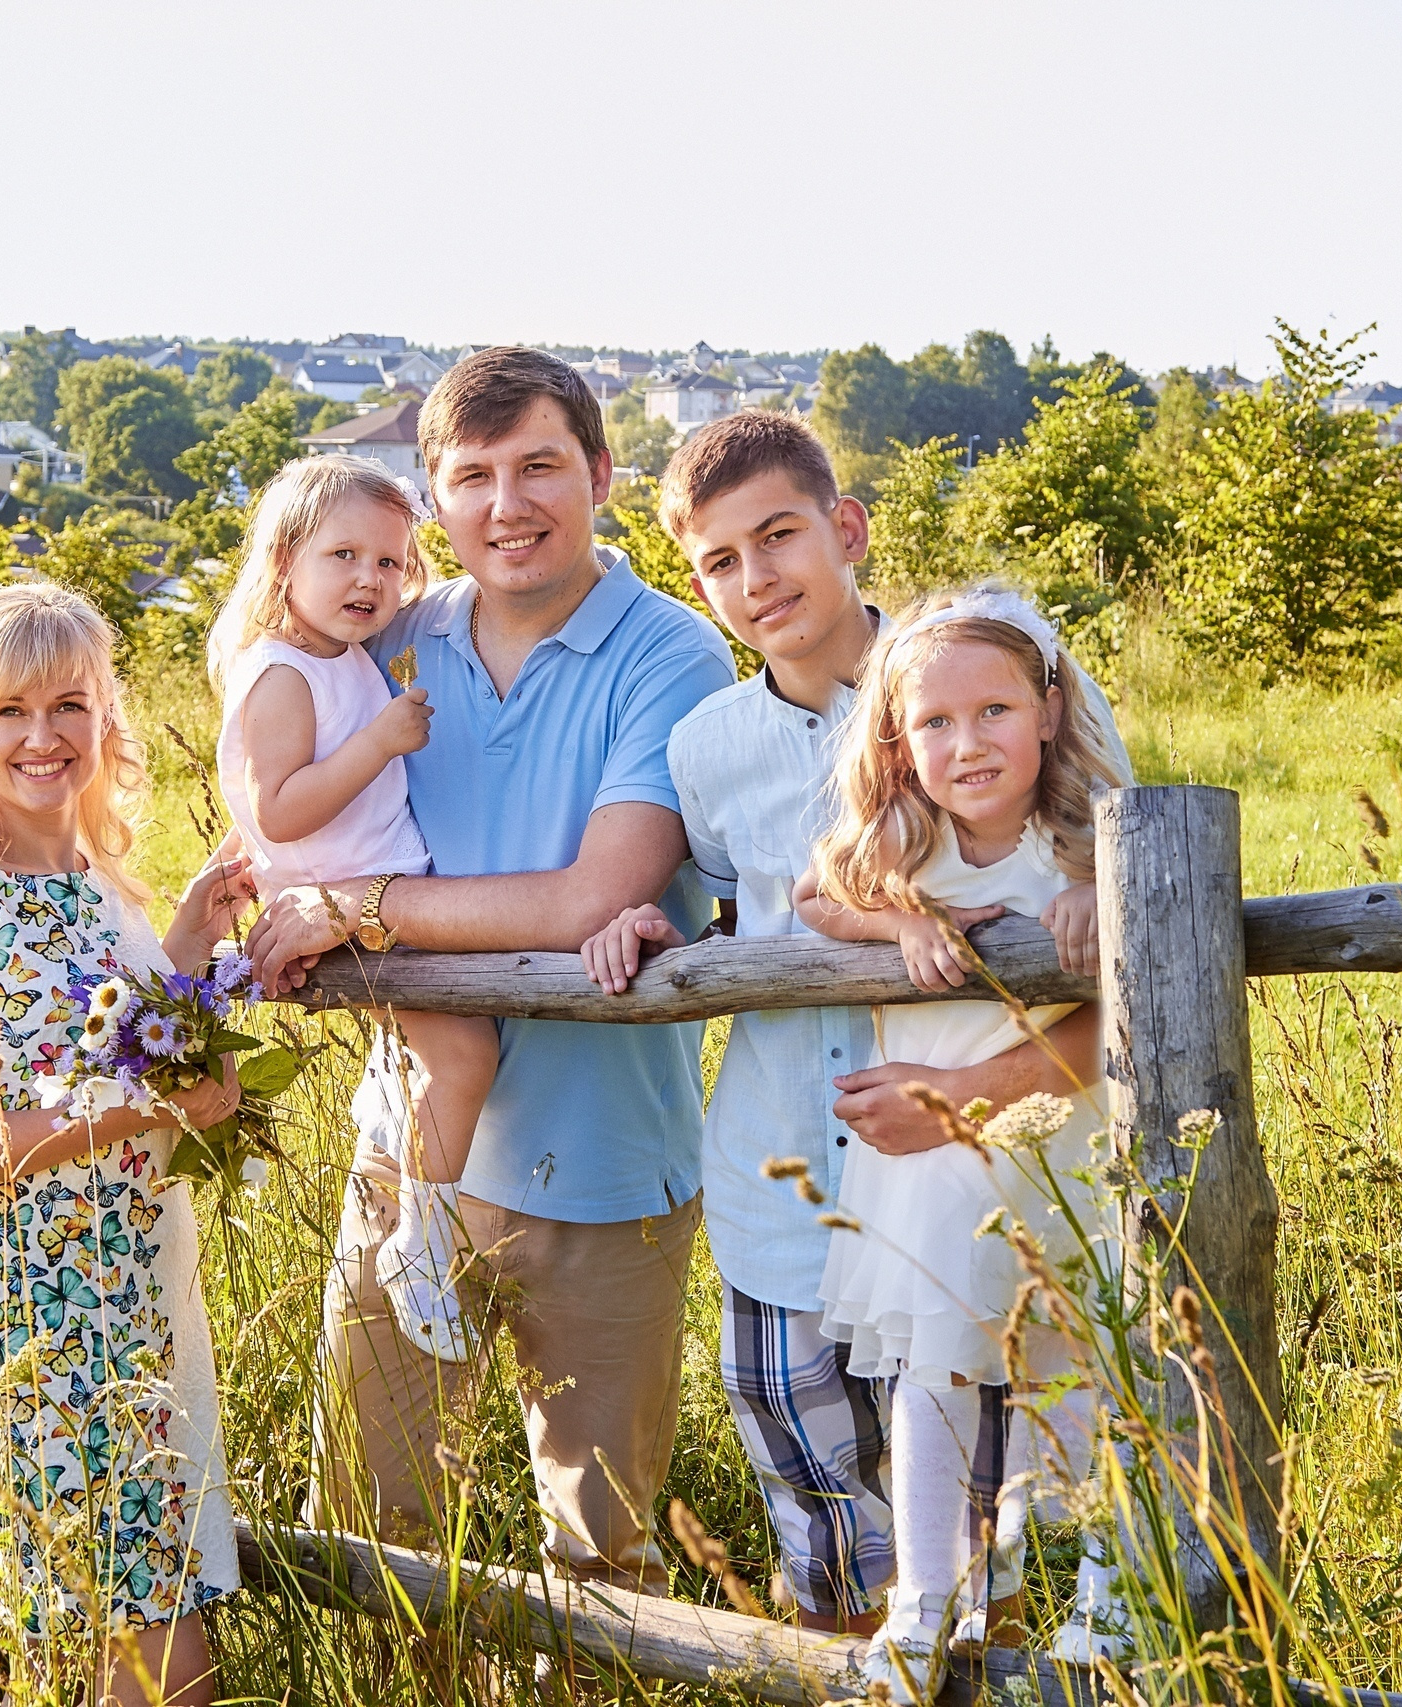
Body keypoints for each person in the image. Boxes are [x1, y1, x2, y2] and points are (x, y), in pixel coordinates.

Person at [578, 415, 1127, 1639]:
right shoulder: (706, 748)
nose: (755, 579)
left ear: (846, 529)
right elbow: (746, 910)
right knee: (820, 1530)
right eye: (719, 562)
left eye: (777, 537)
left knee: (993, 1521)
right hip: (782, 1181)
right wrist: (675, 943)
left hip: (984, 1184)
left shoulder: (986, 682)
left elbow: (1117, 937)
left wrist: (973, 1092)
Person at [246, 346, 737, 1592]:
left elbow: (594, 896)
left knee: (600, 1563)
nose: (506, 504)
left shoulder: (670, 657)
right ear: (433, 497)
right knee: (369, 1537)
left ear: (601, 476)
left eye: (538, 467)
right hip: (408, 1153)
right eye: (472, 475)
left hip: (604, 1171)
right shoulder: (389, 640)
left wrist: (351, 910)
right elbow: (295, 808)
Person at [0, 581, 256, 1706]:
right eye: (8, 711)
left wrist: (188, 935)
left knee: (150, 1660)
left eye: (68, 704)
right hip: (35, 1320)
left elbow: (118, 1039)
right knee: (131, 1670)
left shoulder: (99, 885)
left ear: (107, 717)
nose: (42, 737)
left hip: (139, 1300)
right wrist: (133, 1116)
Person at [794, 587, 1132, 1682]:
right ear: (897, 742)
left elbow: (1102, 1028)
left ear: (1046, 710)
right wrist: (900, 919)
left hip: (1049, 1159)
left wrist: (1095, 896)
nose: (965, 742)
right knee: (931, 1380)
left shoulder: (1085, 851)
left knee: (1068, 1372)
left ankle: (1106, 1588)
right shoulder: (907, 852)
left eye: (991, 711)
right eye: (933, 724)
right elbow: (813, 895)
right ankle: (925, 1599)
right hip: (924, 1176)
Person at [207, 454, 499, 1362]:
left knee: (444, 1056)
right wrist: (379, 742)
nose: (369, 579)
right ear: (285, 559)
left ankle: (422, 1222)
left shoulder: (343, 656)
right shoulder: (284, 671)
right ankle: (422, 1236)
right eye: (343, 556)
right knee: (464, 1051)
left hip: (380, 895)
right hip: (345, 907)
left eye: (389, 560)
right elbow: (280, 805)